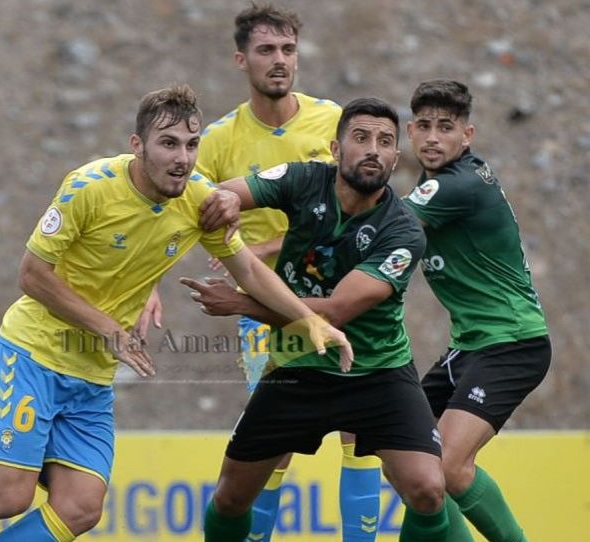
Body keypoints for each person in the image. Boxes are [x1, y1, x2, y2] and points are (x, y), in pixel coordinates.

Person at [0, 84, 351, 542]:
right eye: (168, 144)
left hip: (91, 374)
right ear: (137, 146)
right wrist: (107, 327)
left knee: (81, 508)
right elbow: (32, 275)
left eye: (192, 145)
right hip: (34, 353)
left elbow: (249, 272)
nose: (182, 158)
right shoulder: (90, 186)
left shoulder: (197, 201)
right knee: (5, 497)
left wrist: (309, 320)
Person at [185, 97, 451, 541]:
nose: (373, 149)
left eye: (385, 142)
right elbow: (220, 193)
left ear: (395, 159)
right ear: (335, 148)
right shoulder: (301, 179)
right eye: (361, 138)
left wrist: (242, 303)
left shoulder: (403, 231)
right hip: (296, 366)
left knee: (428, 488)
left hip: (377, 373)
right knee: (231, 498)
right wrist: (225, 202)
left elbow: (335, 313)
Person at [196, 4, 382, 540]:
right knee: (271, 448)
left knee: (361, 432)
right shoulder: (219, 140)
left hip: (344, 295)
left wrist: (268, 241)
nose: (279, 61)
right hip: (268, 308)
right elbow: (185, 212)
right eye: (266, 50)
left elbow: (361, 206)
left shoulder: (334, 123)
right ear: (241, 59)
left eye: (288, 50)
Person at [403, 80, 551, 542]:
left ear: (467, 136)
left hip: (511, 343)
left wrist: (269, 245)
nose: (432, 137)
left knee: (446, 463)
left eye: (445, 127)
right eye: (424, 126)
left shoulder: (456, 185)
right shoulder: (441, 183)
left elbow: (379, 228)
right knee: (411, 460)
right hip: (470, 346)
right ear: (410, 131)